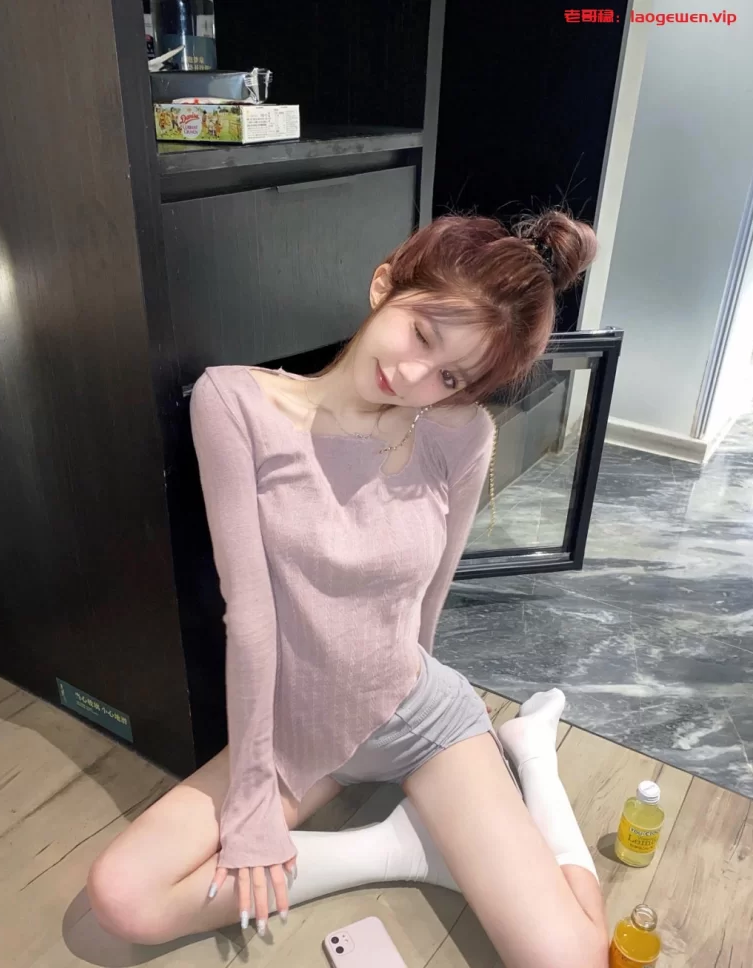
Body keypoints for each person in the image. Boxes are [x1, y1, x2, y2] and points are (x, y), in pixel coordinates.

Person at [87, 212, 608, 968]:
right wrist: (252, 800)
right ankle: (398, 847)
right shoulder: (235, 404)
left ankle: (533, 757)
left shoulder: (462, 435)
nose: (417, 377)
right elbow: (250, 619)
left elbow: (430, 599)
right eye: (422, 334)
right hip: (297, 732)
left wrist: (441, 749)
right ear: (385, 282)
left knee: (574, 958)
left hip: (417, 717)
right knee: (123, 897)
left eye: (451, 377)